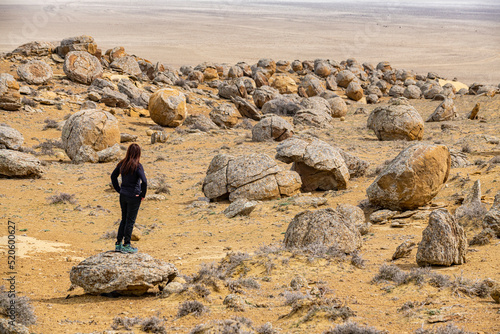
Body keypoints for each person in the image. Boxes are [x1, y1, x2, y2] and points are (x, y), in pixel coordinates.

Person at [111, 143, 147, 253]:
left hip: (123, 195)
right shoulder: (137, 166)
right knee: (130, 221)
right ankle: (127, 245)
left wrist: (119, 190)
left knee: (123, 219)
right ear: (138, 153)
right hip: (134, 197)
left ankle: (118, 244)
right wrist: (142, 195)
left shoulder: (122, 164)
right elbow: (144, 181)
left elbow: (113, 176)